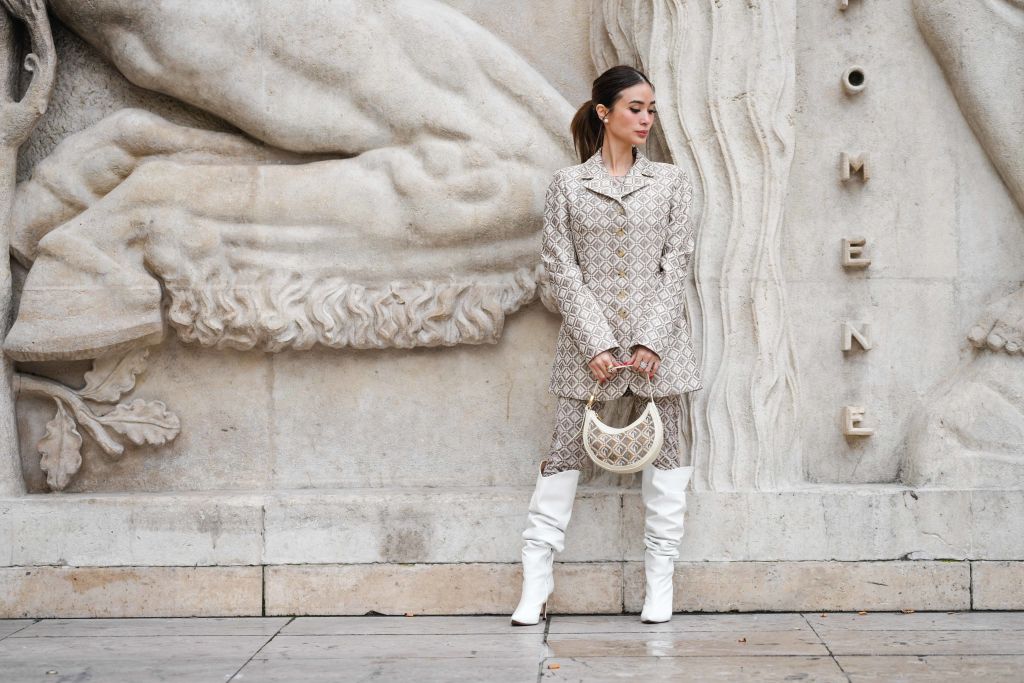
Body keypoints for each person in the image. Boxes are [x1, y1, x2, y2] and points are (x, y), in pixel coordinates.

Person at [510, 65, 703, 626]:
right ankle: (535, 580)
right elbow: (561, 269)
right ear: (604, 113)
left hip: (659, 350)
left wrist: (649, 340)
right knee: (562, 455)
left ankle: (659, 583)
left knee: (667, 458)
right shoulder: (569, 185)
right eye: (635, 108)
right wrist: (596, 341)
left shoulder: (670, 183)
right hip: (584, 352)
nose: (645, 119)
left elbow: (676, 268)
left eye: (651, 110)